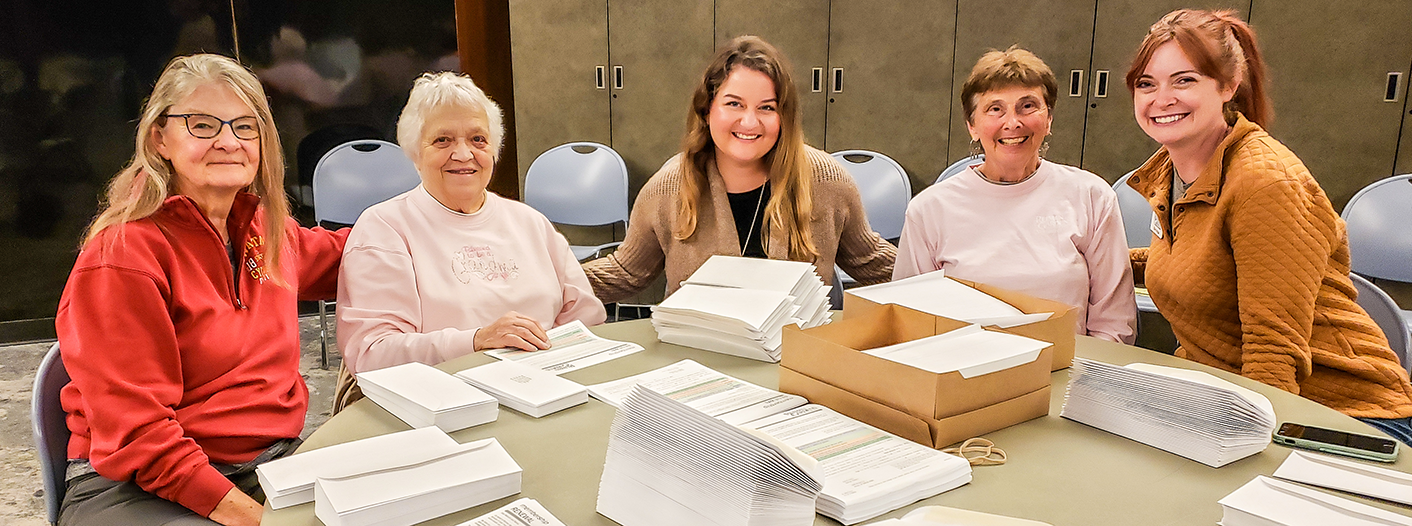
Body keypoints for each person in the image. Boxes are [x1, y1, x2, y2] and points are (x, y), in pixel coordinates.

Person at [55, 54, 348, 525]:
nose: (228, 141)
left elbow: (350, 254)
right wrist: (259, 521)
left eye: (244, 126)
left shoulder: (265, 230)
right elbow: (143, 438)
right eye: (202, 125)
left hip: (265, 464)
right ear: (160, 138)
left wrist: (442, 214)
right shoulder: (123, 257)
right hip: (136, 483)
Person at [1125, 9, 1412, 444]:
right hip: (1224, 395)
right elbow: (1198, 262)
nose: (1161, 98)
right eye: (1147, 83)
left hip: (1337, 416)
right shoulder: (1174, 171)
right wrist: (1093, 259)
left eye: (1184, 80)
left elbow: (1273, 352)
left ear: (1228, 86)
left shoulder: (1264, 181)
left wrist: (1248, 459)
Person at [335, 72, 606, 407]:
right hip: (441, 405)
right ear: (414, 152)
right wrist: (476, 342)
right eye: (442, 140)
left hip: (547, 394)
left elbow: (586, 318)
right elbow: (372, 354)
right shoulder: (384, 228)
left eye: (478, 139)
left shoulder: (530, 222)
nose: (463, 154)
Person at [581, 36, 895, 302]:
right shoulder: (669, 187)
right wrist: (545, 282)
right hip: (701, 357)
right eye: (734, 104)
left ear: (783, 117)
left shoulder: (826, 180)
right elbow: (626, 272)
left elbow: (871, 261)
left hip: (795, 355)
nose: (749, 122)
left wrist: (941, 271)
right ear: (707, 110)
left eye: (767, 107)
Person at [894, 47, 1136, 344]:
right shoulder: (929, 210)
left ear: (1048, 120)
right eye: (995, 109)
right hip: (961, 376)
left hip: (1068, 373)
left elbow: (1115, 322)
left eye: (1027, 106)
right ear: (972, 125)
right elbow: (910, 318)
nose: (1012, 123)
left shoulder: (1092, 197)